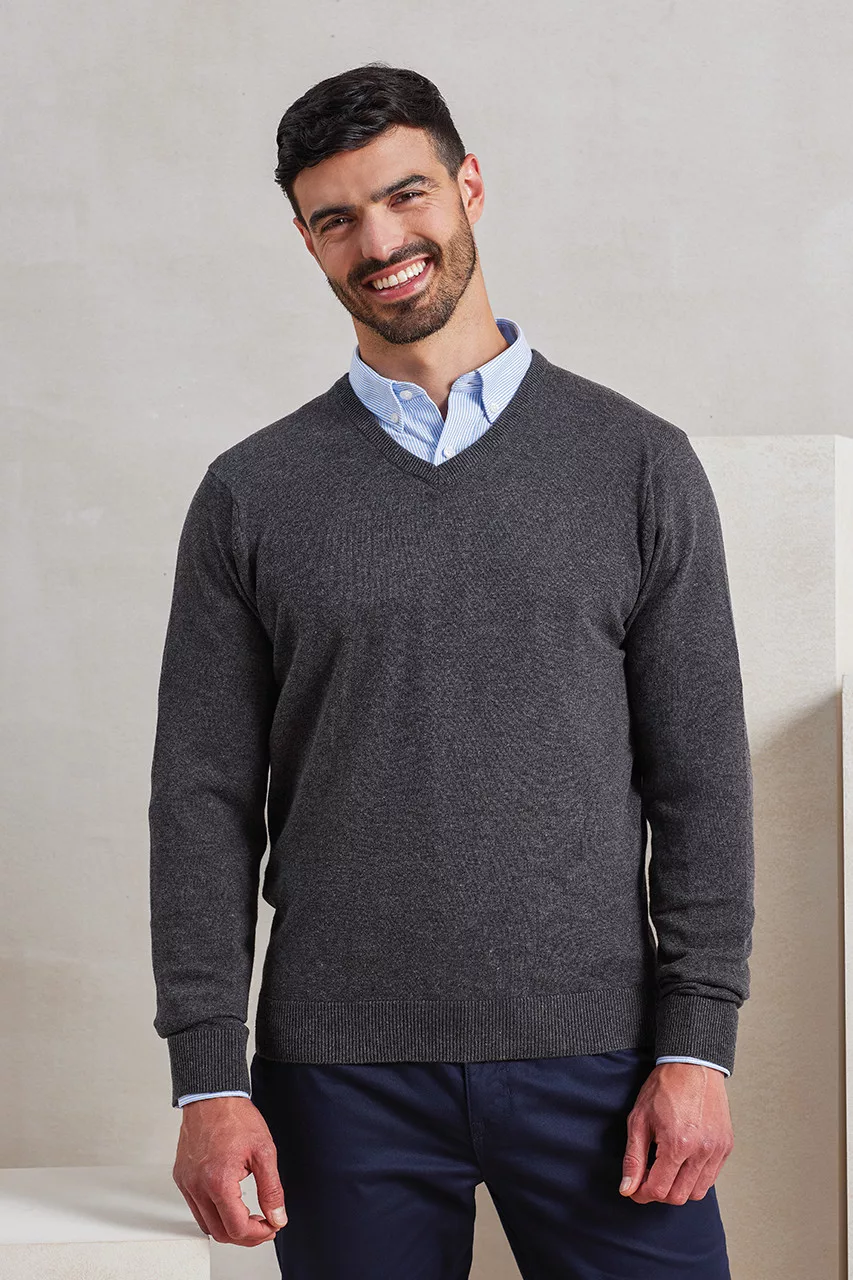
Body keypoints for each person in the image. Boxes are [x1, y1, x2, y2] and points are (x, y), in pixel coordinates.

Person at [148, 61, 755, 1278]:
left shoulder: (638, 465)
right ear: (307, 241)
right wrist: (208, 1076)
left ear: (468, 185)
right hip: (337, 1078)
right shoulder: (250, 496)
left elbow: (699, 780)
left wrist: (697, 1044)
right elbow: (201, 801)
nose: (380, 242)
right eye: (336, 218)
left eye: (405, 195)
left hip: (602, 1063)